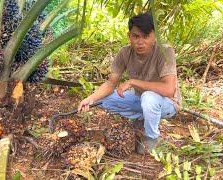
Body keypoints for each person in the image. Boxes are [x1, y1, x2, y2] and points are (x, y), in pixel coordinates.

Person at [77, 12, 182, 155]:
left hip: (167, 103)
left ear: (154, 36)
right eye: (136, 36)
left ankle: (152, 138)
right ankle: (142, 119)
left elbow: (169, 90)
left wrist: (133, 82)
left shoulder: (165, 51)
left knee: (149, 98)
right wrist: (90, 99)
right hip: (142, 99)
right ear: (129, 36)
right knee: (102, 100)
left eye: (146, 37)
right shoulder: (125, 53)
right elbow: (110, 83)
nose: (140, 42)